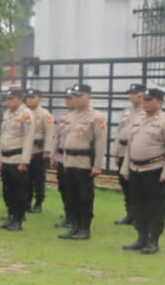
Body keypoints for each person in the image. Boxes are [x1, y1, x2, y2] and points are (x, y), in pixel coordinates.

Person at [120, 87, 165, 254]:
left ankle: (153, 240)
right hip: (136, 168)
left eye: (149, 100)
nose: (145, 103)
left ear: (159, 101)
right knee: (138, 205)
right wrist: (126, 167)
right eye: (144, 99)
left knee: (155, 207)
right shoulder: (138, 119)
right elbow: (131, 145)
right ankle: (141, 237)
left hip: (154, 170)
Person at [55, 84, 107, 241]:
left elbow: (100, 142)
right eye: (74, 96)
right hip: (69, 161)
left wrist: (97, 164)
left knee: (84, 197)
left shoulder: (96, 117)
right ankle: (75, 226)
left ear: (88, 96)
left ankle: (84, 228)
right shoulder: (69, 116)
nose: (75, 99)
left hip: (84, 162)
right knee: (72, 196)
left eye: (79, 96)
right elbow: (63, 139)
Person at [0, 87, 34, 231]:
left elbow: (29, 139)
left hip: (17, 158)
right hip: (6, 158)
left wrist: (24, 161)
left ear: (19, 98)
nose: (8, 102)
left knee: (19, 191)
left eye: (11, 99)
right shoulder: (7, 114)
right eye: (7, 99)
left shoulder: (26, 114)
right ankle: (10, 216)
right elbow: (2, 136)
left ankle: (18, 219)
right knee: (7, 191)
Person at [112, 82, 146, 226]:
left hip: (135, 153)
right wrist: (116, 151)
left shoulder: (146, 111)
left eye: (134, 93)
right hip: (123, 150)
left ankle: (139, 215)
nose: (131, 96)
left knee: (136, 186)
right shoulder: (127, 111)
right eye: (130, 93)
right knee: (125, 184)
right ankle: (130, 214)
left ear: (141, 94)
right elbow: (120, 131)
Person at [51, 88, 77, 231]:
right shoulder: (64, 117)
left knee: (74, 188)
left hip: (75, 158)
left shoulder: (82, 117)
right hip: (61, 157)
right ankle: (69, 214)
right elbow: (56, 138)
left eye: (71, 98)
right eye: (66, 98)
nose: (68, 101)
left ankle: (75, 216)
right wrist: (53, 156)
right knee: (63, 187)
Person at [24, 88, 53, 215]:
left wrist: (47, 150)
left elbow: (49, 133)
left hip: (38, 151)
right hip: (25, 151)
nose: (29, 100)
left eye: (32, 97)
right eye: (28, 97)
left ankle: (38, 203)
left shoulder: (44, 114)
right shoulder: (23, 113)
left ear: (39, 98)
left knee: (39, 179)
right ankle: (26, 202)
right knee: (26, 179)